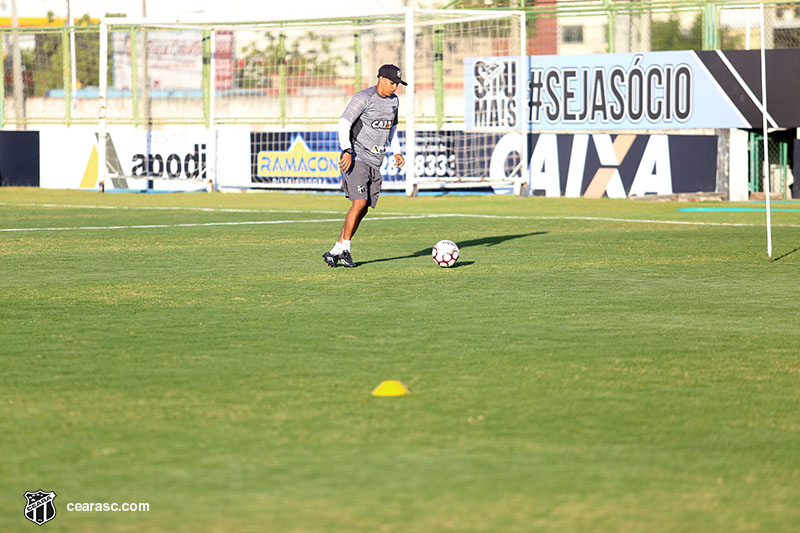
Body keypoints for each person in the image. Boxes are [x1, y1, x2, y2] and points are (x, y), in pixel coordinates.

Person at [322, 64, 407, 268]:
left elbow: (392, 128)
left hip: (376, 161)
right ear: (380, 79)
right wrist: (347, 150)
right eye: (392, 83)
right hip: (357, 157)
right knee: (359, 203)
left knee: (364, 208)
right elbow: (344, 124)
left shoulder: (394, 101)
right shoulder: (363, 98)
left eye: (397, 84)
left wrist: (396, 150)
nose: (395, 87)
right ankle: (346, 250)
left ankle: (335, 250)